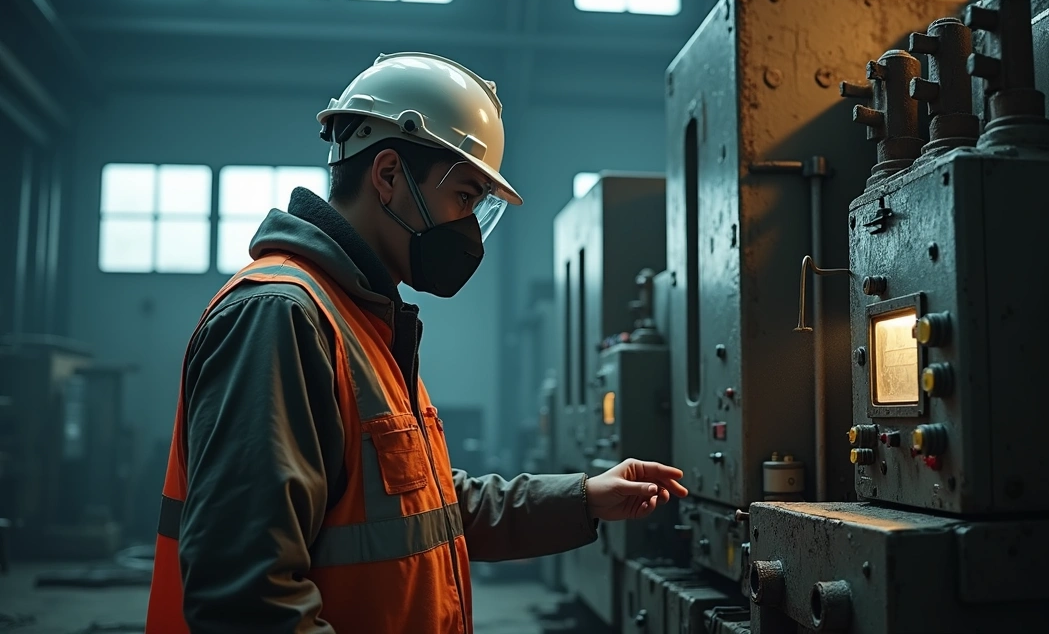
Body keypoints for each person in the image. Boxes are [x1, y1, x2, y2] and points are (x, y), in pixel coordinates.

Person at [145, 52, 688, 634]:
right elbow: (247, 598)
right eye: (464, 197)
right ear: (387, 176)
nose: (469, 228)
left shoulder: (360, 320)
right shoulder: (281, 317)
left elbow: (425, 508)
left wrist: (582, 498)